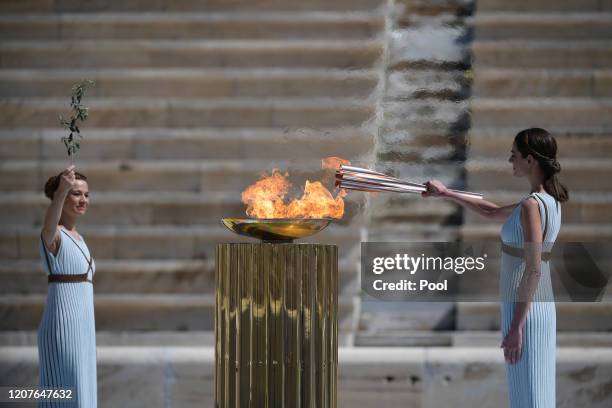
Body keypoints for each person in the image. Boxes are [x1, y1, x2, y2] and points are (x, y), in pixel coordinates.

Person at [422, 128, 568, 407]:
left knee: (532, 396)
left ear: (530, 160)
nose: (509, 161)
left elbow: (534, 269)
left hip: (526, 312)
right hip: (534, 308)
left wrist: (516, 327)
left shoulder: (531, 206)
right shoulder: (548, 202)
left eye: (514, 156)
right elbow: (490, 211)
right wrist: (446, 193)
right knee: (531, 393)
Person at [39, 165, 97, 407]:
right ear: (61, 197)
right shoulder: (55, 235)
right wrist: (62, 190)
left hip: (83, 326)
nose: (83, 199)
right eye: (76, 194)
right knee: (65, 391)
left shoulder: (79, 237)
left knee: (83, 389)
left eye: (86, 194)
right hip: (63, 325)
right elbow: (48, 226)